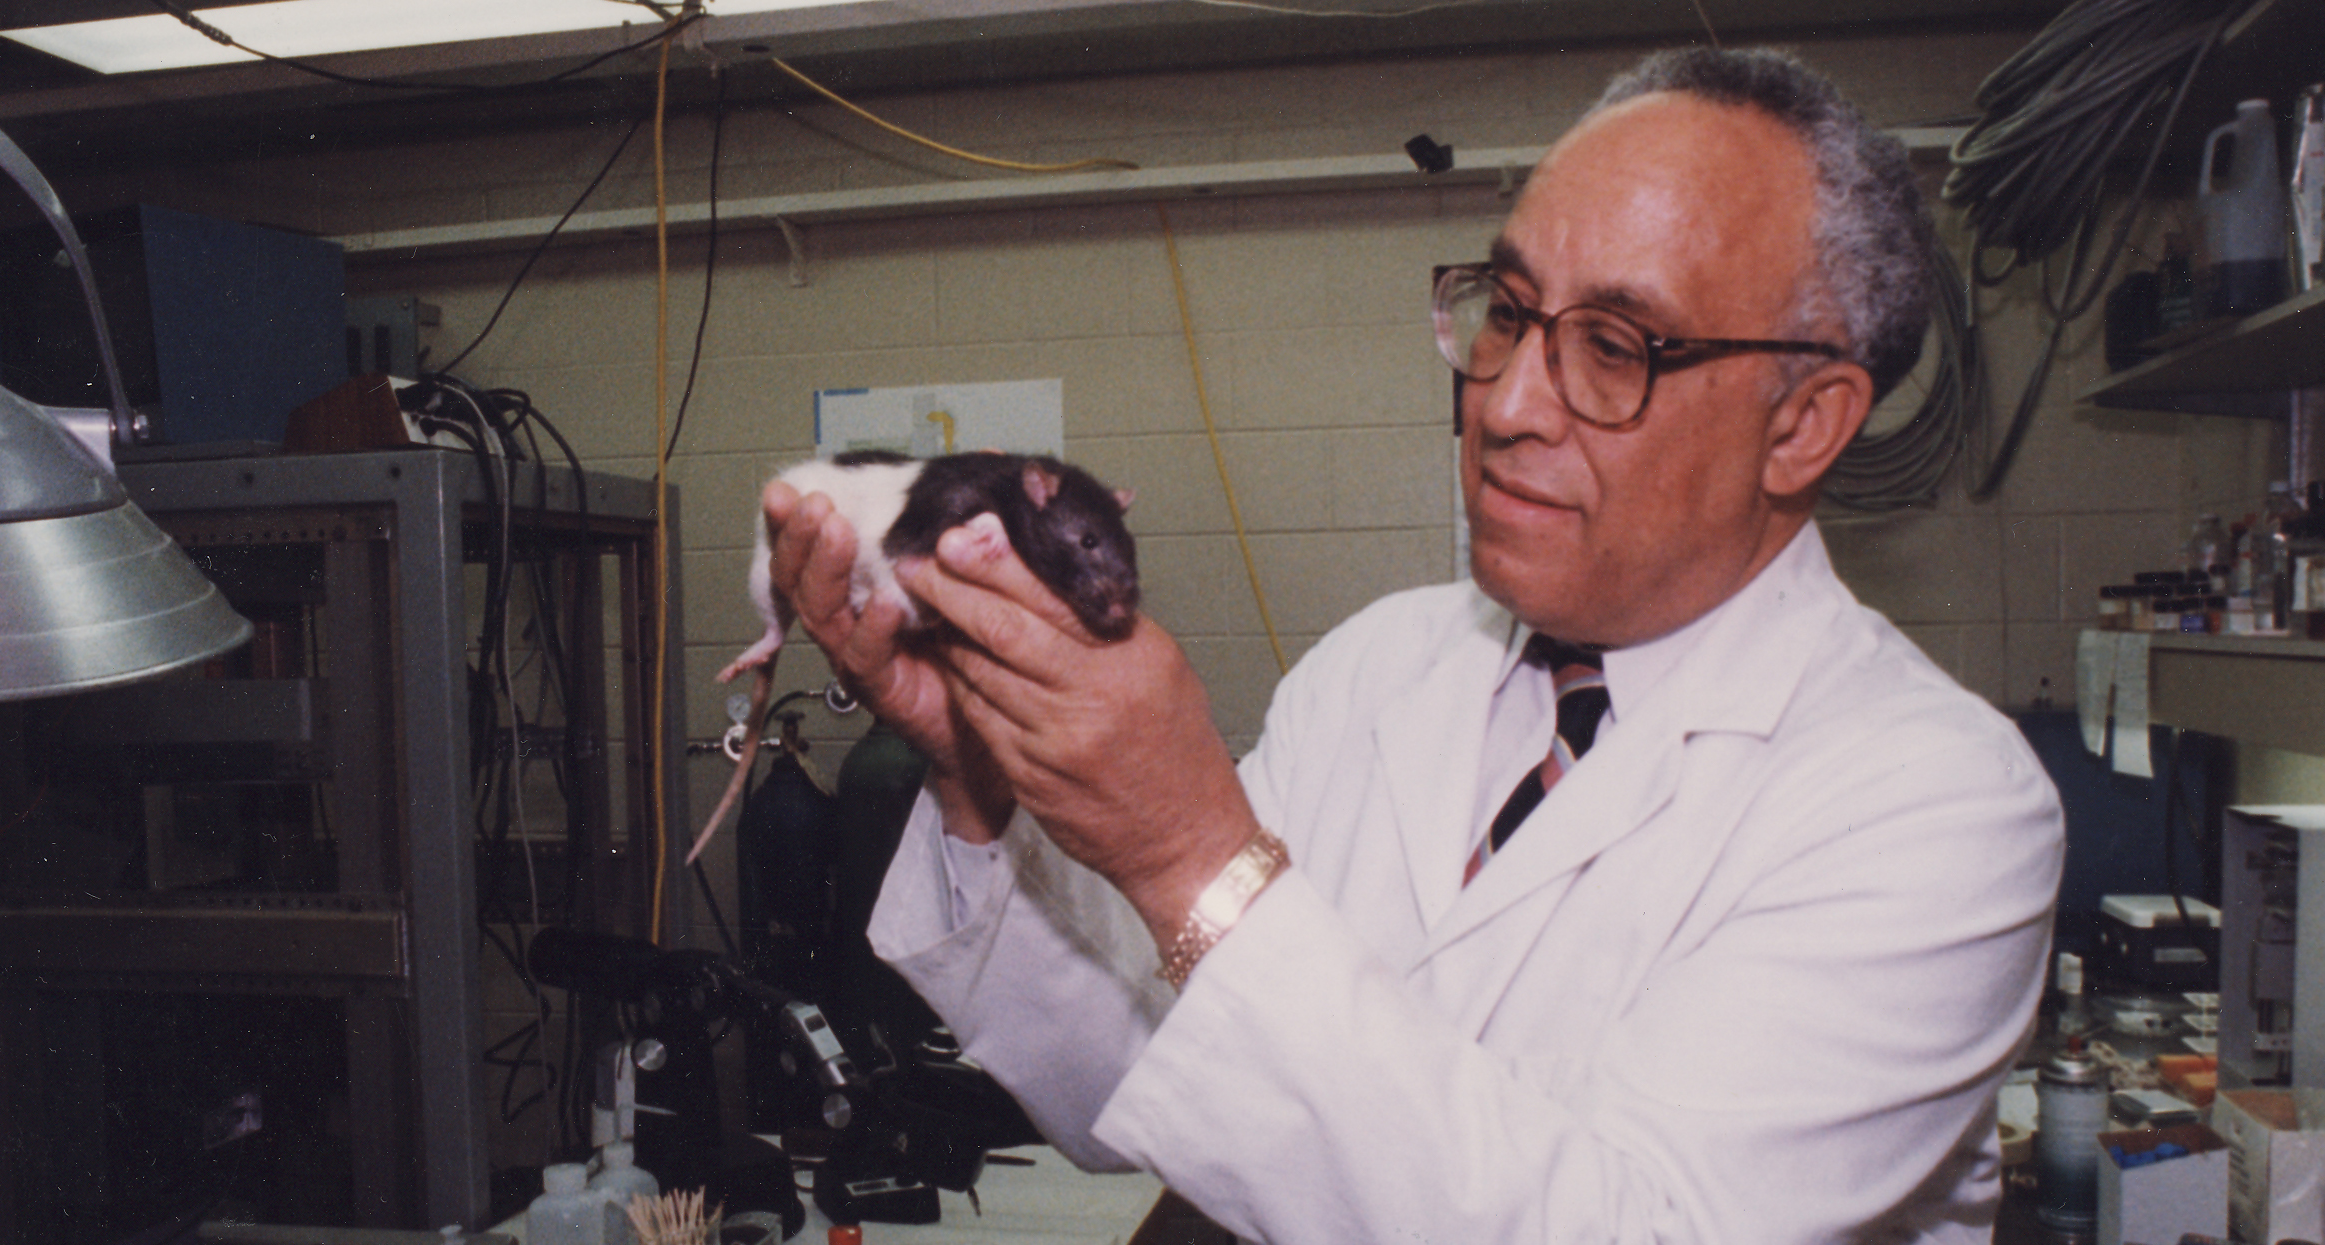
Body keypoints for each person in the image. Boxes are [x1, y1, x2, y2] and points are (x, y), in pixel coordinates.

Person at [760, 46, 2065, 1245]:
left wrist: (1190, 852)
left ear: (1804, 423)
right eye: (1506, 309)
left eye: (1613, 346)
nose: (1502, 400)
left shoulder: (1937, 804)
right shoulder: (1385, 666)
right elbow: (1142, 1094)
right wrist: (983, 774)